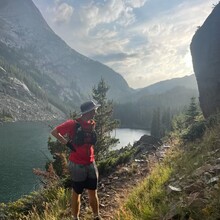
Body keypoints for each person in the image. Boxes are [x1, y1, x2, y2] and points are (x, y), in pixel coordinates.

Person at [51, 100, 102, 220]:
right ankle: (75, 218)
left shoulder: (91, 124)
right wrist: (67, 144)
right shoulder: (73, 124)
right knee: (77, 192)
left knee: (93, 191)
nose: (95, 112)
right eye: (94, 110)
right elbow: (54, 132)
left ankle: (96, 216)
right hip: (77, 164)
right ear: (88, 112)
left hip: (90, 162)